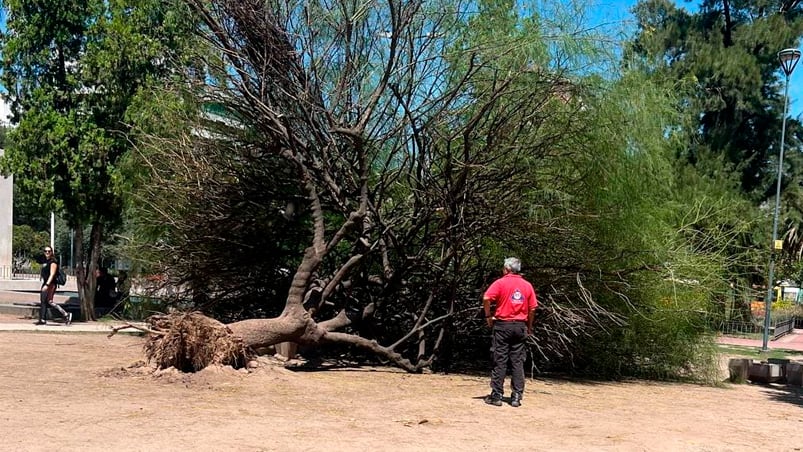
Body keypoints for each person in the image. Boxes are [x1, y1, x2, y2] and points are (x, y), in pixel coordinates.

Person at [482, 257, 537, 407]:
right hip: (520, 326)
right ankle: (517, 396)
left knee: (500, 359)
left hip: (503, 325)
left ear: (506, 269)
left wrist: (488, 316)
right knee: (517, 361)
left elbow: (486, 297)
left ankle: (497, 395)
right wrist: (529, 326)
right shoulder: (527, 285)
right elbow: (532, 308)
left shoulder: (500, 283)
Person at [37, 247, 72, 326]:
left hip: (51, 284)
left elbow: (52, 274)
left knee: (48, 301)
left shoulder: (53, 262)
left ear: (51, 252)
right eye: (45, 251)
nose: (47, 253)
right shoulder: (45, 261)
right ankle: (43, 319)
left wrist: (47, 285)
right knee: (45, 301)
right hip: (46, 282)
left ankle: (65, 315)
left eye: (49, 251)